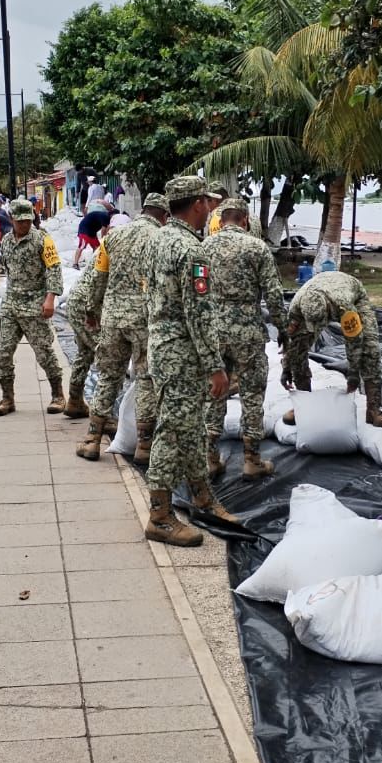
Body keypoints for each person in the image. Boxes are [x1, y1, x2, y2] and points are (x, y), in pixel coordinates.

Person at [142, 175, 241, 546]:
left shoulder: (159, 239)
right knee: (172, 429)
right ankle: (160, 516)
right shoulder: (191, 250)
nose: (211, 209)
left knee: (190, 427)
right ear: (198, 203)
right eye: (208, 202)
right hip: (182, 353)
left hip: (162, 346)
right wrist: (215, 366)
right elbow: (198, 315)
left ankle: (202, 497)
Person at [77, 192, 168, 463]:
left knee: (108, 377)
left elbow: (98, 278)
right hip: (145, 320)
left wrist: (92, 312)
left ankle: (92, 440)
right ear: (163, 216)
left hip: (113, 318)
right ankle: (144, 446)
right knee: (145, 379)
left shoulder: (113, 237)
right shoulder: (162, 239)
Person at [201, 196, 286, 480]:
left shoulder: (204, 248)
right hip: (248, 333)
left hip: (213, 333)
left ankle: (210, 456)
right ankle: (252, 460)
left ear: (220, 220)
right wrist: (282, 327)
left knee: (214, 393)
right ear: (246, 220)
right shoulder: (257, 247)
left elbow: (195, 292)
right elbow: (274, 294)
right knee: (252, 395)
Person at [281, 269, 382, 428]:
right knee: (299, 349)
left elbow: (354, 340)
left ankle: (373, 410)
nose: (318, 328)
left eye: (321, 321)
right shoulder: (297, 307)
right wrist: (286, 369)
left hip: (353, 294)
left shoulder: (344, 306)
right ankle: (303, 406)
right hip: (321, 289)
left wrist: (353, 374)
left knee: (370, 347)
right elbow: (292, 342)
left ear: (327, 309)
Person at [0, 198, 66, 417]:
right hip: (11, 304)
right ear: (12, 219)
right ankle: (7, 398)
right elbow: (7, 268)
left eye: (28, 220)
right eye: (20, 221)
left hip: (35, 305)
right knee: (3, 352)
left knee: (44, 352)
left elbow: (54, 269)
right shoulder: (5, 241)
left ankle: (58, 395)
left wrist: (50, 298)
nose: (25, 225)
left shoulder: (43, 240)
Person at [62, 253, 106, 420]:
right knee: (108, 356)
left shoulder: (111, 241)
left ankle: (75, 400)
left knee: (85, 352)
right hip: (89, 305)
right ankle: (103, 415)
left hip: (77, 301)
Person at [73, 201, 111, 266]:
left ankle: (95, 262)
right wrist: (103, 239)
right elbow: (103, 230)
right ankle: (75, 263)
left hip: (92, 232)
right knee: (82, 246)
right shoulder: (105, 217)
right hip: (84, 230)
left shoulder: (105, 216)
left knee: (97, 247)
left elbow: (106, 229)